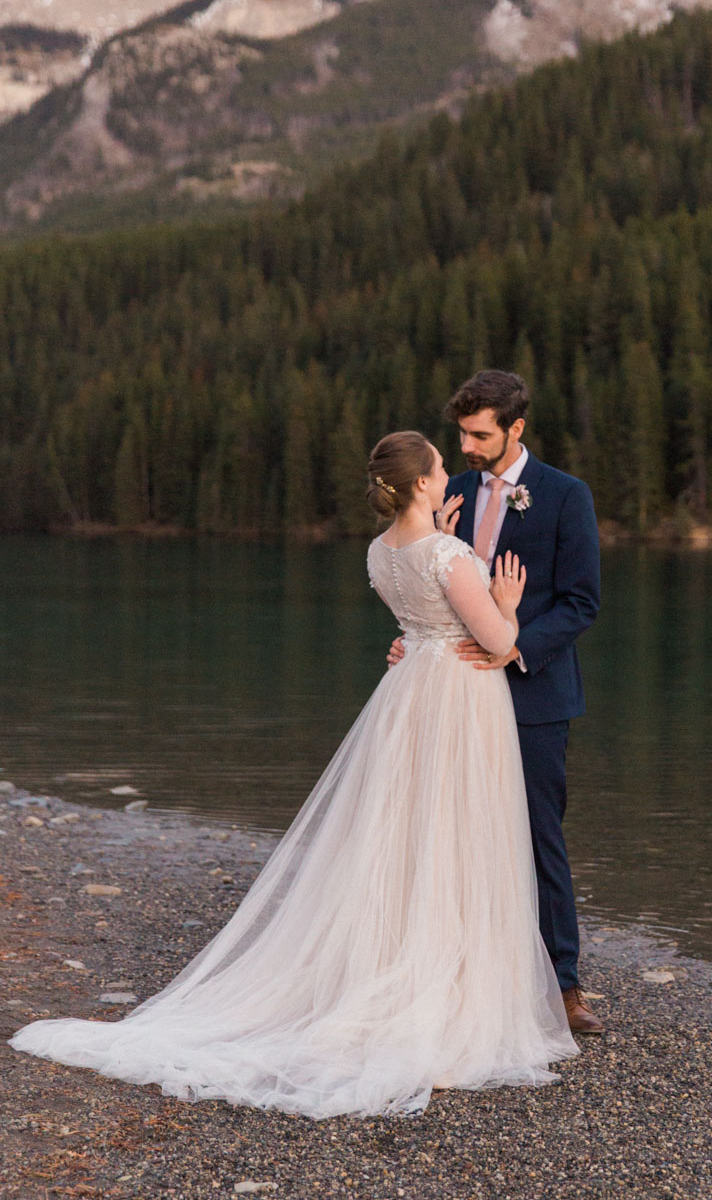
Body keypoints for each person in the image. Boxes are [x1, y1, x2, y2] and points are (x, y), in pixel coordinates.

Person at [8, 431, 577, 1118]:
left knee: (402, 836)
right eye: (438, 466)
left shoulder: (380, 552)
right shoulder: (449, 554)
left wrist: (454, 565)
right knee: (456, 834)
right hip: (457, 699)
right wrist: (509, 601)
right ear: (425, 485)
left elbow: (420, 614)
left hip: (408, 698)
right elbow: (497, 641)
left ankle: (400, 963)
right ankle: (447, 988)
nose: (447, 470)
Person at [388, 371, 604, 1035]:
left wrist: (512, 648)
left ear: (517, 429)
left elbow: (580, 602)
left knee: (539, 837)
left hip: (533, 694)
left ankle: (561, 987)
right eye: (462, 435)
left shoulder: (566, 496)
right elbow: (428, 584)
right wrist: (409, 639)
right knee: (449, 832)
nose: (469, 447)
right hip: (450, 694)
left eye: (481, 435)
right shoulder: (446, 489)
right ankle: (459, 974)